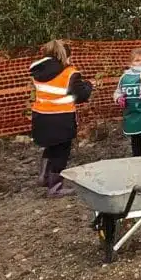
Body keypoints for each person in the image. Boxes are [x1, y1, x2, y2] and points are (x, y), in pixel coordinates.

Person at [30, 40, 93, 197]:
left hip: (40, 116)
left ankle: (44, 177)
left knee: (50, 147)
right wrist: (89, 85)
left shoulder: (37, 71)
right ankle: (55, 187)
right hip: (61, 118)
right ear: (66, 55)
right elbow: (80, 96)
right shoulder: (70, 73)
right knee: (61, 153)